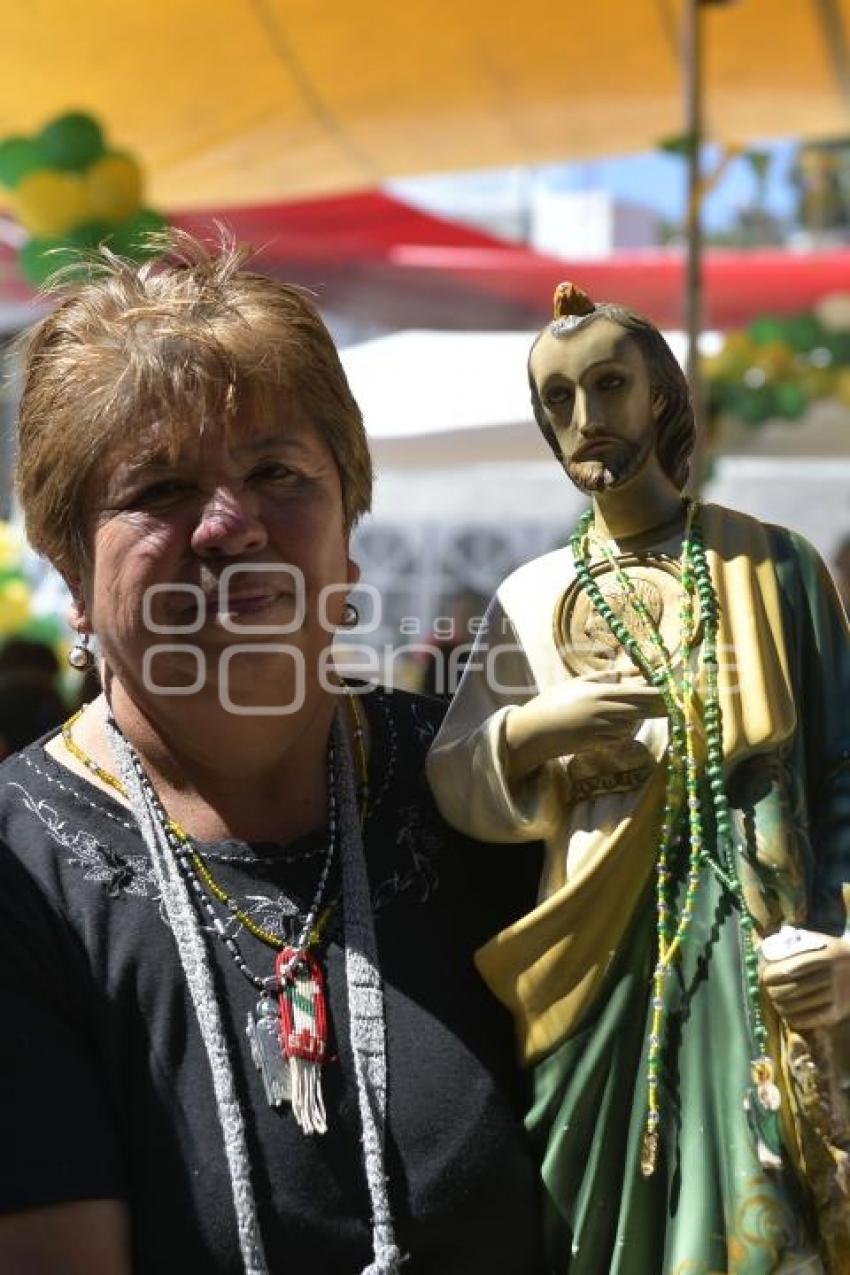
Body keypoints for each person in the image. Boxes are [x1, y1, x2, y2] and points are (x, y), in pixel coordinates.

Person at [0, 234, 545, 1275]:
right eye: (157, 489)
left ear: (347, 535)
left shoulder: (494, 785)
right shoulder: (17, 878)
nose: (230, 524)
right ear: (71, 570)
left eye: (277, 472)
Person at [427, 282, 850, 1273]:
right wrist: (534, 731)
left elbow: (839, 773)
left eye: (607, 385)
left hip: (759, 963)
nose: (584, 419)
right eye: (557, 400)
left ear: (659, 397)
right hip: (590, 970)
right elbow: (453, 778)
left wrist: (839, 936)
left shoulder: (775, 567)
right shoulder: (531, 597)